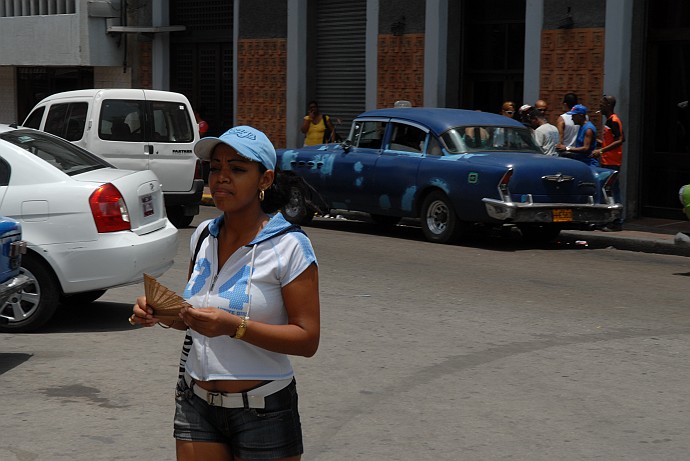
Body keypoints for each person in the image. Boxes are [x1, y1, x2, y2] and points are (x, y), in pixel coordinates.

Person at [130, 125, 321, 460]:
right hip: (196, 403)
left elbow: (307, 339)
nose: (221, 178)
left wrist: (234, 327)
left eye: (237, 169)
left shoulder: (289, 246)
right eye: (215, 168)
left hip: (264, 410)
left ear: (264, 180)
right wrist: (159, 312)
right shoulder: (204, 235)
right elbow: (193, 318)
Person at [593, 95, 625, 231]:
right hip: (607, 161)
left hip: (612, 163)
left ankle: (617, 222)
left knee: (613, 192)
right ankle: (607, 220)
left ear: (608, 105)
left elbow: (620, 140)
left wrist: (601, 150)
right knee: (607, 191)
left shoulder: (614, 120)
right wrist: (601, 143)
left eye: (601, 103)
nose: (599, 106)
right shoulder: (609, 121)